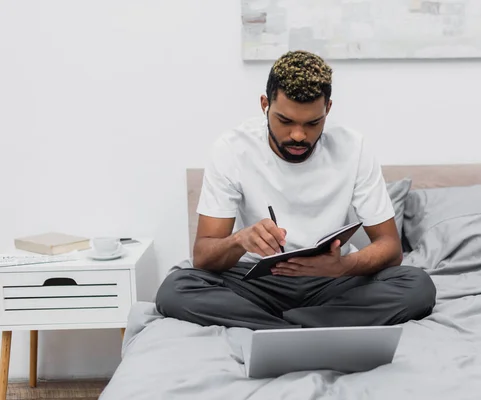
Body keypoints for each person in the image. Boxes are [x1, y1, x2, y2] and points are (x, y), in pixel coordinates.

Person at [155, 50, 436, 330]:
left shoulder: (353, 147)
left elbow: (390, 249)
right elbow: (204, 255)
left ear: (328, 108)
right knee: (175, 288)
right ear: (265, 104)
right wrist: (240, 240)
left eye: (313, 123)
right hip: (256, 282)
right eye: (285, 121)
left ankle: (274, 329)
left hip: (332, 281)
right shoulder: (231, 149)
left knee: (417, 285)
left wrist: (342, 267)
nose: (299, 135)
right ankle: (309, 329)